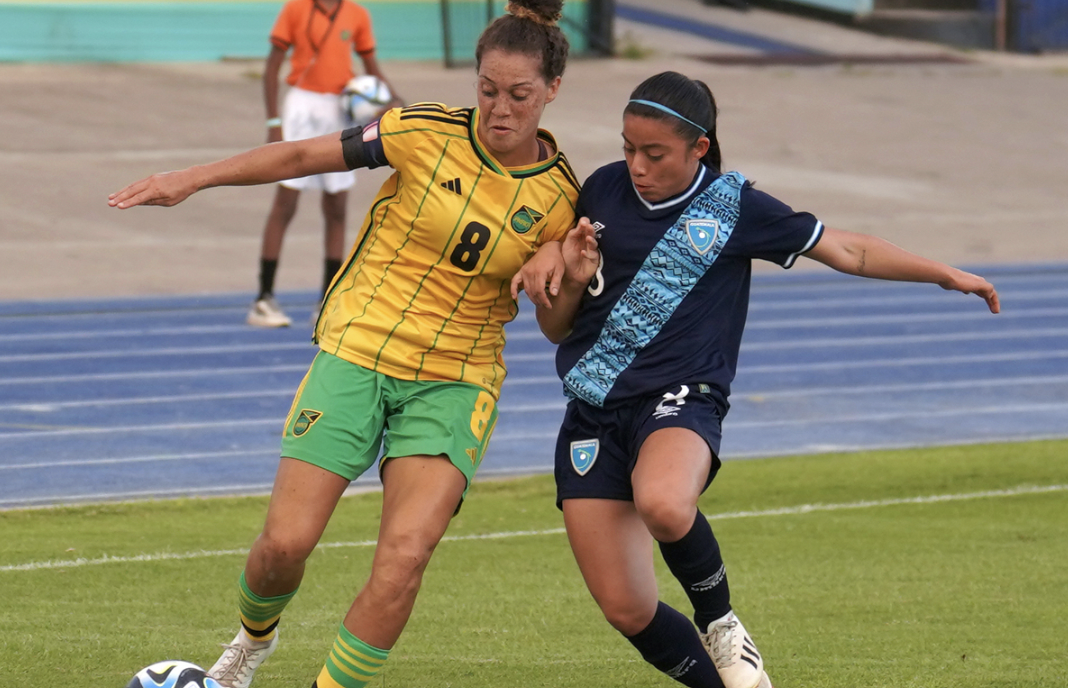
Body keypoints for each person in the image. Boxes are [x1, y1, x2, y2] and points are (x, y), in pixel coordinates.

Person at [109, 1, 577, 686]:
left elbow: (556, 329)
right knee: (283, 546)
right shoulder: (421, 131)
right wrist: (192, 178)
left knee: (406, 556)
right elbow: (302, 153)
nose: (498, 109)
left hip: (456, 378)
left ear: (552, 91)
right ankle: (251, 639)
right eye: (486, 90)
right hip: (359, 348)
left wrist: (558, 276)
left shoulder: (564, 198)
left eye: (518, 95)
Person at [511, 71, 1000, 688]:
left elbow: (849, 250)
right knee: (626, 608)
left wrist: (942, 273)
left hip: (679, 397)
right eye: (628, 147)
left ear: (700, 149)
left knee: (664, 502)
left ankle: (722, 626)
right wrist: (573, 277)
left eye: (654, 153)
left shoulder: (733, 207)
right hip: (592, 411)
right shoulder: (601, 191)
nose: (636, 165)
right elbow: (557, 330)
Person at [249, 0, 403, 327]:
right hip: (302, 106)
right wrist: (274, 120)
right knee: (286, 202)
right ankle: (264, 298)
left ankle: (326, 301)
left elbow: (371, 66)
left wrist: (394, 101)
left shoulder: (356, 14)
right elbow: (272, 67)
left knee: (336, 207)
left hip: (340, 108)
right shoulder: (295, 9)